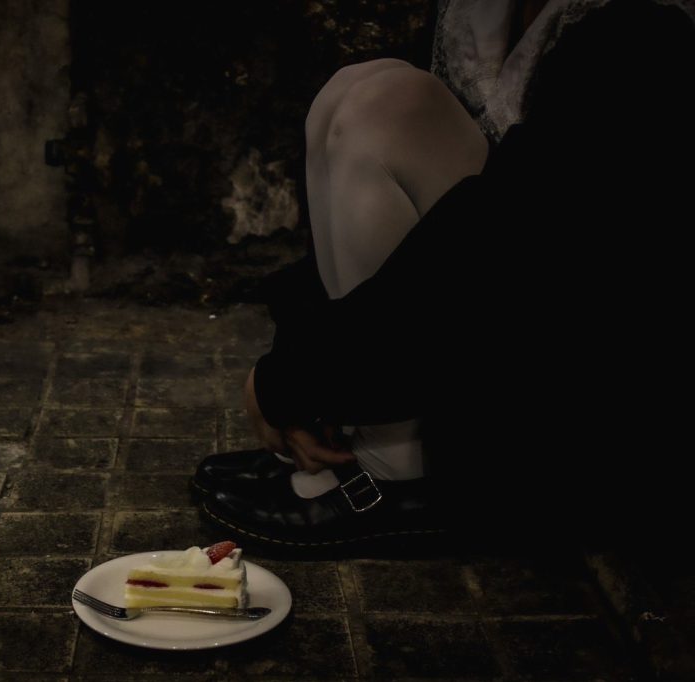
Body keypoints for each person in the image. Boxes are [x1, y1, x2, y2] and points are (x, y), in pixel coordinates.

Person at [192, 0, 695, 553]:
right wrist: (308, 376)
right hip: (491, 335)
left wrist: (294, 379)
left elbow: (502, 246)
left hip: (598, 404)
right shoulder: (480, 11)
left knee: (385, 106)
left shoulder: (644, 36)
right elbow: (404, 229)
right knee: (362, 90)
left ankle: (398, 470)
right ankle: (364, 441)